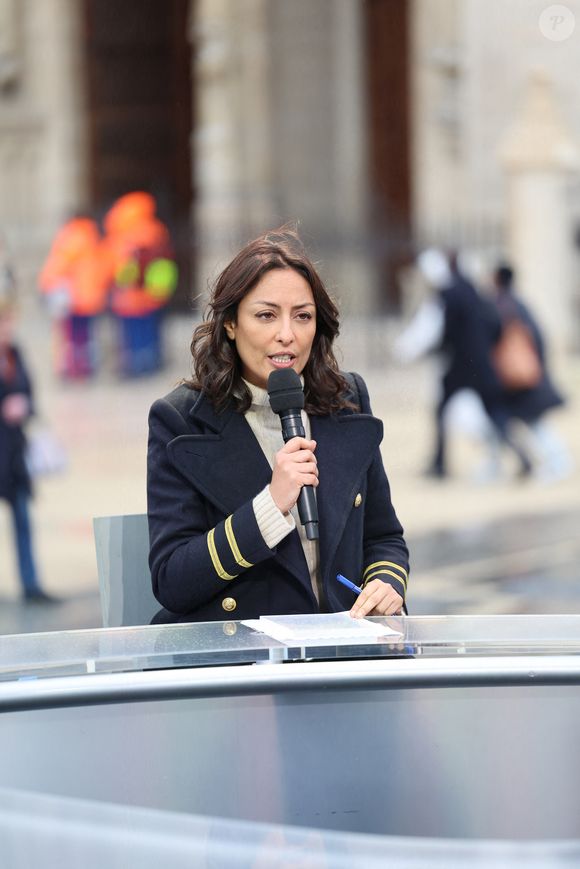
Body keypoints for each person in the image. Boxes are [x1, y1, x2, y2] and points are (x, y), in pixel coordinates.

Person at [147, 226, 409, 624]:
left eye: (302, 316)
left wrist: (385, 585)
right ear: (231, 324)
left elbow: (384, 537)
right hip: (242, 665)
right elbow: (172, 581)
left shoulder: (346, 400)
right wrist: (270, 505)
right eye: (266, 315)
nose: (287, 335)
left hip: (343, 653)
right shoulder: (180, 419)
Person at [417, 249, 533, 479]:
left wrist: (436, 349)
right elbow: (495, 325)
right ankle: (523, 456)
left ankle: (439, 464)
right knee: (494, 413)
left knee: (441, 410)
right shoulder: (474, 291)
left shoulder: (450, 293)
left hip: (462, 365)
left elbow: (447, 331)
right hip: (481, 364)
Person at [492, 264, 571, 481]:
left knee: (533, 423)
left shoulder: (505, 306)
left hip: (520, 379)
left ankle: (558, 461)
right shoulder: (519, 304)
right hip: (526, 376)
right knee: (522, 423)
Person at [0, 298, 56, 602]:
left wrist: (24, 406)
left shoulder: (15, 354)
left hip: (14, 454)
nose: (6, 330)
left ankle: (30, 584)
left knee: (22, 518)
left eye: (8, 322)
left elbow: (30, 395)